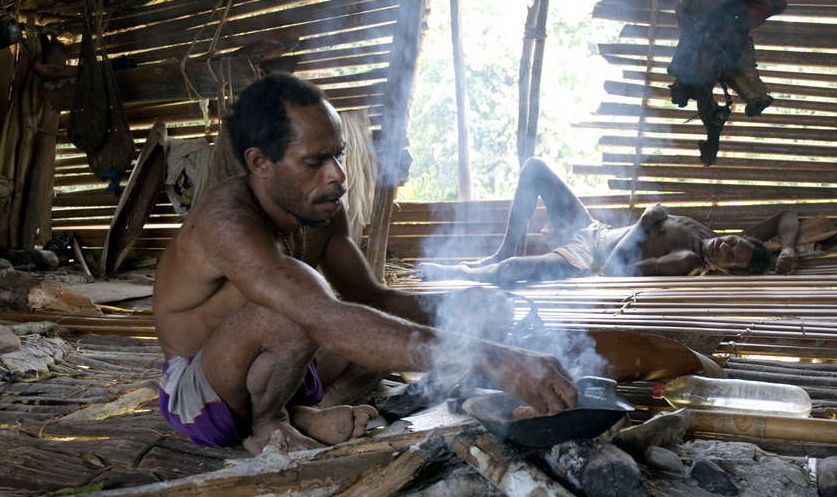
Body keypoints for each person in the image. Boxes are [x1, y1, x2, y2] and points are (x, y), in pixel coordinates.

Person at [152, 74, 577, 456]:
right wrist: (491, 358)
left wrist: (470, 310)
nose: (338, 175)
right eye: (315, 162)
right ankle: (269, 426)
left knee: (380, 325)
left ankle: (305, 414)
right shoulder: (225, 222)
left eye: (337, 155)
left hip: (285, 371)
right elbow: (325, 319)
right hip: (203, 395)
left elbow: (374, 298)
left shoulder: (321, 211)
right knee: (293, 312)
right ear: (260, 162)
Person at [418, 157, 799, 287]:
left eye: (731, 256)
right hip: (591, 227)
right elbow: (787, 215)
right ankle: (500, 249)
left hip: (588, 256)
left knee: (515, 269)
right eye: (733, 241)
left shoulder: (687, 261)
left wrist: (644, 224)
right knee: (534, 169)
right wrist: (791, 248)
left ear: (724, 270)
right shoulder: (710, 236)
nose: (727, 246)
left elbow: (616, 272)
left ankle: (460, 274)